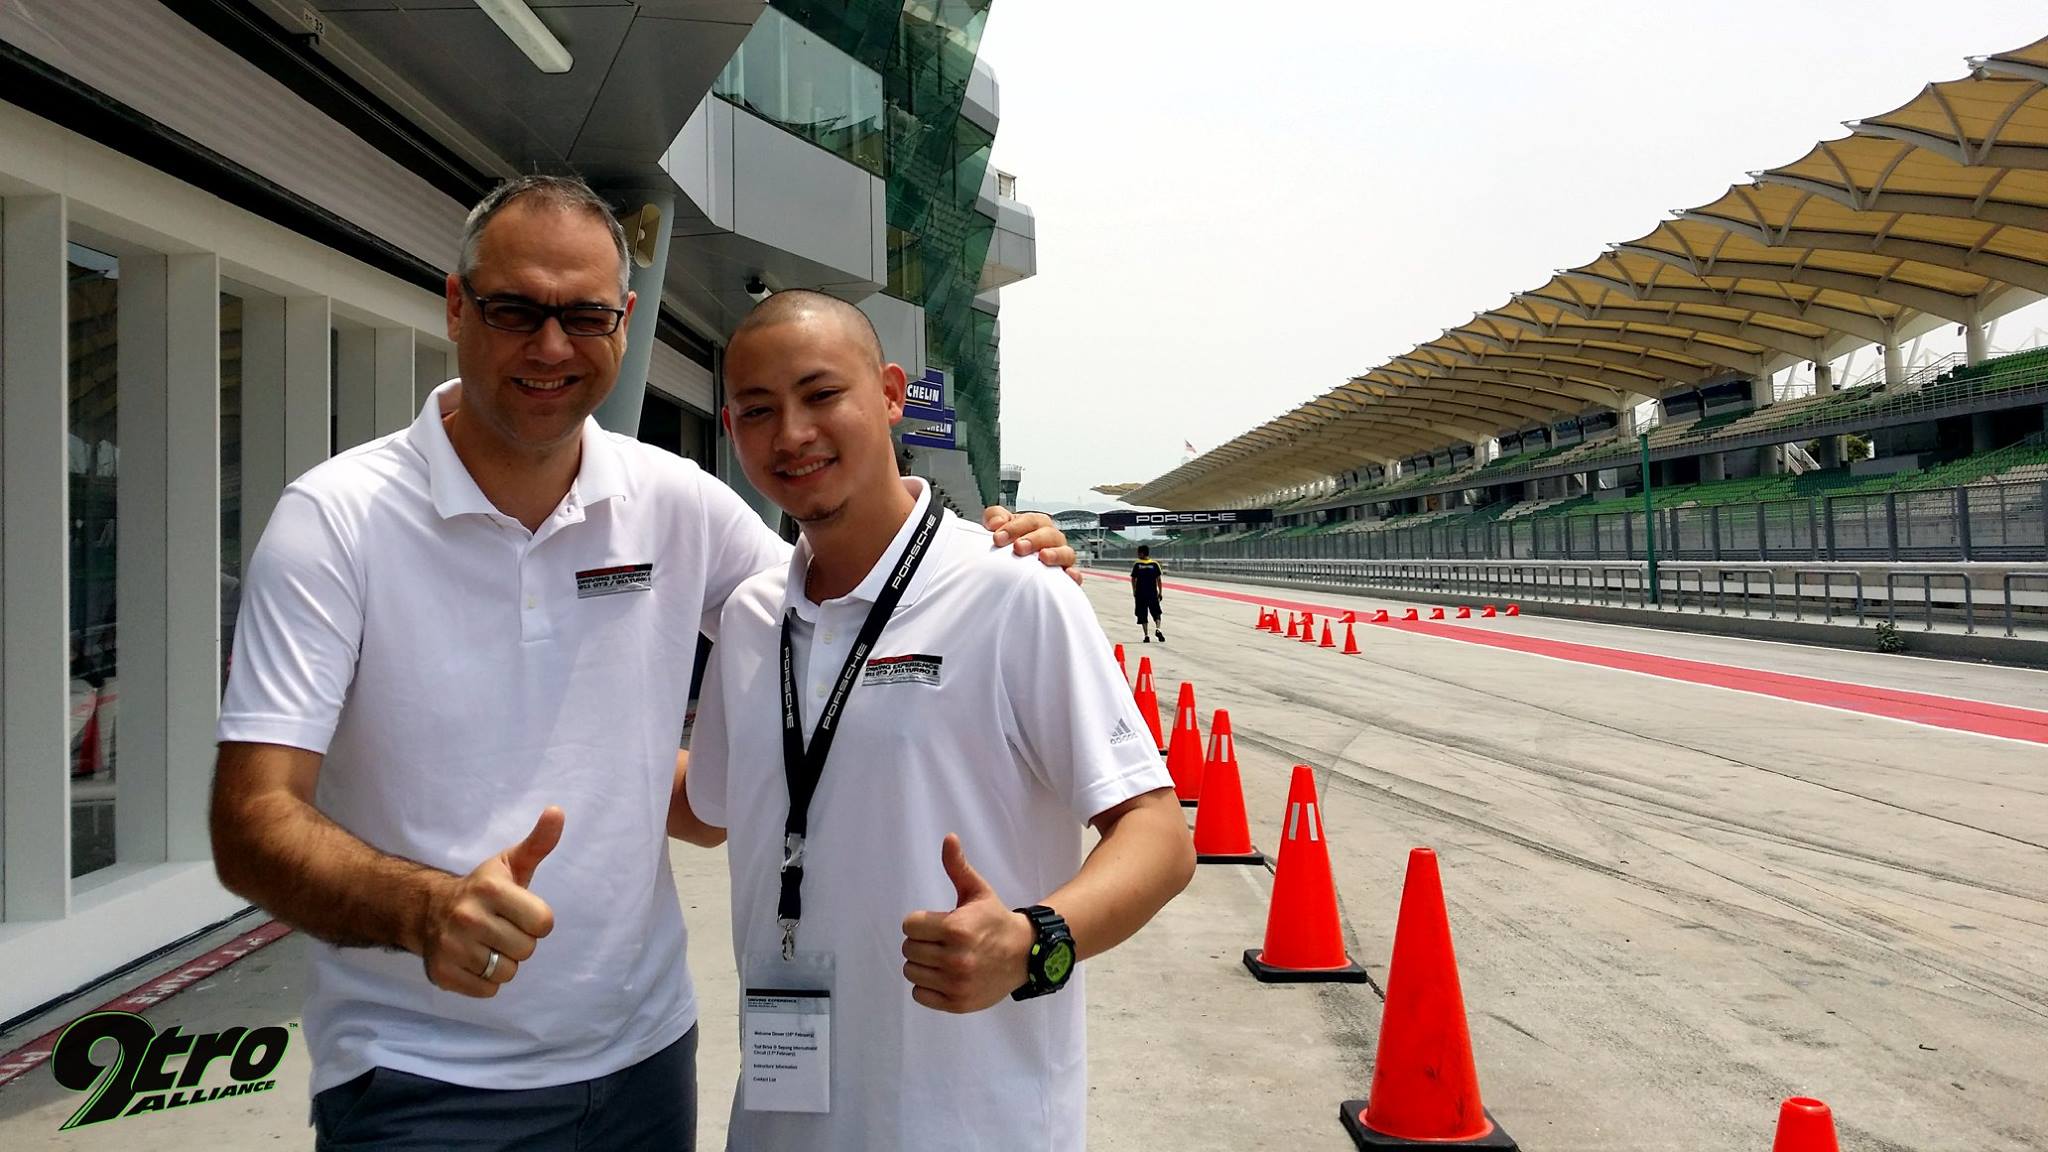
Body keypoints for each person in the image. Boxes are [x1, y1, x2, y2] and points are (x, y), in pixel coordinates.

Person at [208, 175, 1076, 1151]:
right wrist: (427, 909)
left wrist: (994, 552)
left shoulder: (674, 503)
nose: (551, 346)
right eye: (515, 310)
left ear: (624, 323)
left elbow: (853, 607)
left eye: (584, 316)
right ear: (456, 307)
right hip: (424, 1072)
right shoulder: (337, 521)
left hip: (643, 1063)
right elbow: (252, 821)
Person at [684, 291, 1196, 1151]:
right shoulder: (748, 617)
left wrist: (1031, 942)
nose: (792, 434)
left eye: (821, 394)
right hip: (779, 1122)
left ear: (890, 394)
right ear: (731, 428)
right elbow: (710, 806)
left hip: (971, 1124)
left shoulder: (1013, 591)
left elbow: (1158, 835)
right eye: (757, 411)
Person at [1131, 544, 1165, 643]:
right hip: (1152, 593)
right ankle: (1158, 629)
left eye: (1138, 553)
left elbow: (1133, 579)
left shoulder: (1137, 564)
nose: (1138, 555)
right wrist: (1160, 592)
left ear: (1142, 553)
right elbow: (1159, 579)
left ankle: (1146, 636)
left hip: (1141, 593)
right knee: (1156, 612)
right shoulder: (1155, 564)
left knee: (1142, 614)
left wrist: (1134, 591)